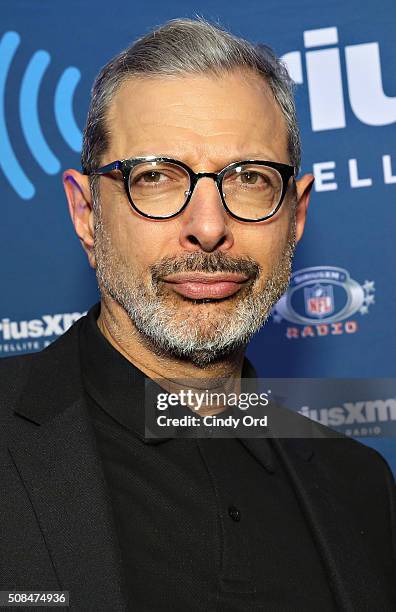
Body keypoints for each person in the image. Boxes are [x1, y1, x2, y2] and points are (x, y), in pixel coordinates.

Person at [1, 18, 395, 612]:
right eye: (155, 178)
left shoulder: (362, 486)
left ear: (296, 215)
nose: (209, 228)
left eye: (250, 179)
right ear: (86, 214)